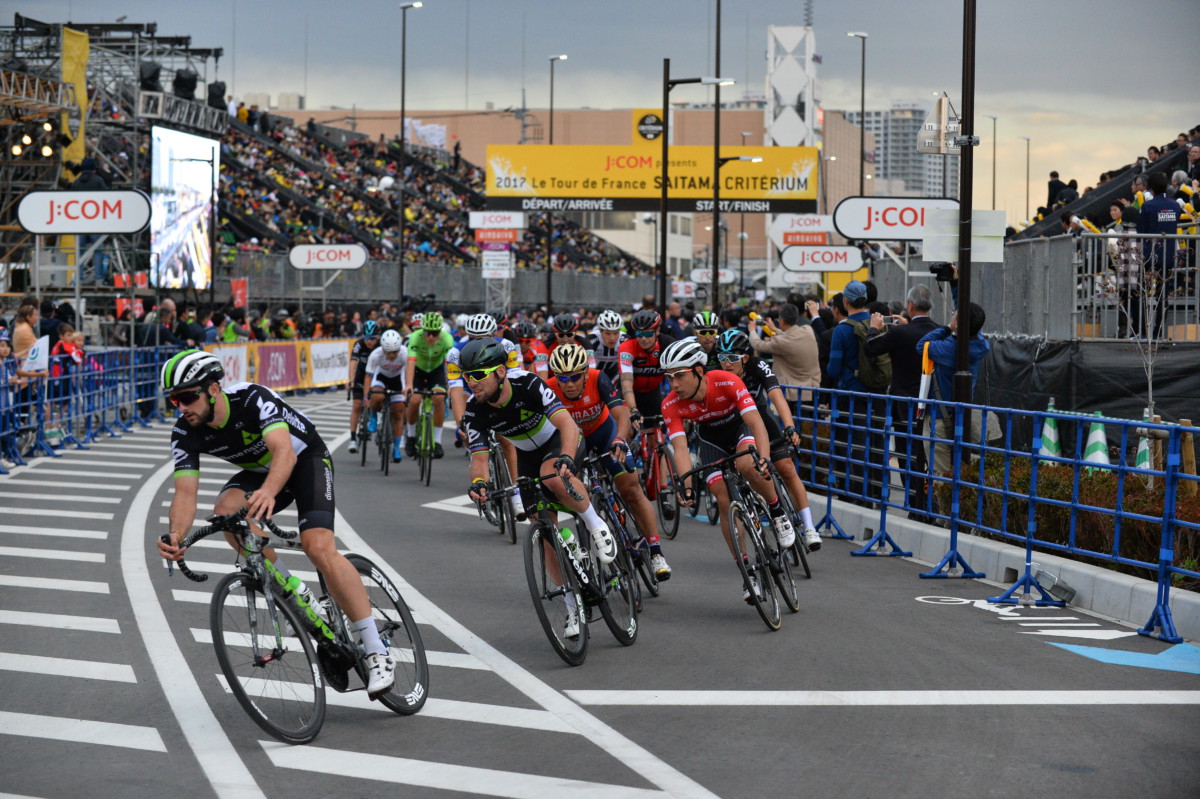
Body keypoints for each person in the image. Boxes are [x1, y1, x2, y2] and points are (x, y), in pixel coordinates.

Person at [155, 350, 396, 697]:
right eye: (174, 400)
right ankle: (293, 588)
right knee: (225, 513)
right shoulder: (184, 432)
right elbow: (185, 494)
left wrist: (269, 492)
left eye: (187, 397)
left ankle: (377, 650)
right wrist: (176, 534)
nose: (181, 406)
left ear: (212, 389)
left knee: (318, 547)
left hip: (304, 461)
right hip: (260, 474)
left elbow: (285, 453)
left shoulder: (253, 398)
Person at [461, 338, 616, 640]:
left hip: (560, 439)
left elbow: (568, 425)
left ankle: (596, 525)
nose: (471, 383)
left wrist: (568, 457)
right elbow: (479, 459)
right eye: (466, 376)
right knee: (544, 532)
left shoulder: (528, 384)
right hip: (527, 457)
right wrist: (479, 482)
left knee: (552, 477)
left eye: (478, 375)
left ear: (501, 372)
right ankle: (573, 605)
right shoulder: (474, 410)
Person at [660, 340, 796, 604]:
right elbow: (680, 449)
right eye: (669, 377)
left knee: (747, 465)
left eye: (679, 375)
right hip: (711, 441)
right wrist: (686, 484)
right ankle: (748, 571)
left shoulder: (726, 381)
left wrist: (765, 458)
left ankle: (777, 511)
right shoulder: (670, 404)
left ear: (698, 371)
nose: (674, 383)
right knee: (722, 497)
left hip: (740, 429)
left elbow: (756, 422)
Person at [547, 342, 671, 580]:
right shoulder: (549, 388)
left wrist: (619, 439)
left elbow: (620, 413)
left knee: (631, 489)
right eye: (563, 379)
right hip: (575, 442)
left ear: (584, 372)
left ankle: (656, 552)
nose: (569, 384)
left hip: (604, 433)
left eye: (574, 377)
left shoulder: (598, 378)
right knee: (576, 497)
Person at [714, 330, 821, 551]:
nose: (726, 363)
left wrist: (789, 426)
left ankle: (809, 527)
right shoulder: (716, 374)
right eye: (722, 358)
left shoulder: (757, 366)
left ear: (744, 358)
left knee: (787, 468)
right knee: (745, 471)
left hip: (761, 419)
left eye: (732, 358)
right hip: (735, 426)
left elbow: (776, 396)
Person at [864, 284, 940, 514]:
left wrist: (874, 328)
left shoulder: (898, 332)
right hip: (931, 403)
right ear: (931, 306)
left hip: (902, 403)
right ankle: (929, 502)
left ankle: (913, 501)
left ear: (909, 305)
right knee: (928, 453)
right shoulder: (939, 331)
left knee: (907, 454)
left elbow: (870, 348)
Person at [916, 303, 991, 475]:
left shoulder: (951, 348)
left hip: (940, 419)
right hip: (961, 415)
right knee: (959, 472)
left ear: (959, 323)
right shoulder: (979, 344)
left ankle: (943, 502)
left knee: (941, 476)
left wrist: (948, 328)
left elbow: (922, 346)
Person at [403, 312, 455, 459]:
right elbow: (411, 362)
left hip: (436, 371)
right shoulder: (415, 337)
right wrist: (408, 385)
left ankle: (437, 441)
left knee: (439, 399)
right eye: (427, 332)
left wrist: (450, 385)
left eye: (435, 333)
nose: (431, 337)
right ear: (422, 330)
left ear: (440, 331)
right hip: (418, 371)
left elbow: (449, 366)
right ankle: (411, 436)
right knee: (414, 400)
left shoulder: (447, 339)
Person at [746, 302, 820, 402]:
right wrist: (775, 329)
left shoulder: (781, 342)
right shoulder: (808, 330)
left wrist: (752, 331)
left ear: (781, 321)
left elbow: (758, 345)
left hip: (794, 393)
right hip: (812, 389)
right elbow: (791, 337)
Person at [364, 329, 409, 462]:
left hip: (397, 379)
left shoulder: (405, 354)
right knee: (377, 397)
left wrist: (407, 389)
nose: (391, 355)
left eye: (394, 352)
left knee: (398, 412)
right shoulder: (375, 355)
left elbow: (409, 374)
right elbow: (368, 377)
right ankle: (373, 416)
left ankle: (396, 448)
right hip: (381, 378)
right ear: (382, 348)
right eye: (388, 352)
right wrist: (367, 397)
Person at [346, 320, 380, 454]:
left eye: (372, 338)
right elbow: (353, 363)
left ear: (377, 337)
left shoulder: (381, 346)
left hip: (377, 377)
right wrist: (350, 380)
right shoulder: (359, 345)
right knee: (356, 405)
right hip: (361, 376)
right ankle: (353, 438)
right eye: (366, 337)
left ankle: (380, 425)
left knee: (378, 400)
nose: (369, 341)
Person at [587, 309, 624, 384]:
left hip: (612, 372)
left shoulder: (624, 339)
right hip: (594, 371)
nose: (612, 338)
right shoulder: (592, 339)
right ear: (600, 331)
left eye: (616, 333)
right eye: (608, 333)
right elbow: (590, 366)